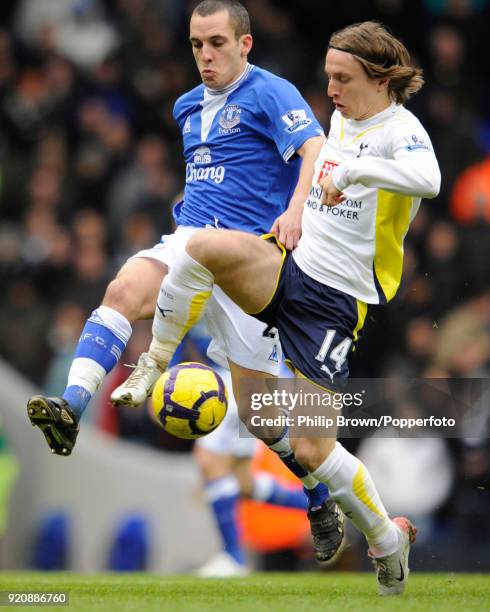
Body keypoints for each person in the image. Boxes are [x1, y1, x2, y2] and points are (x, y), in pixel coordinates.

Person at [113, 21, 441, 594]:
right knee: (199, 244)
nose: (332, 90)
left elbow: (429, 180)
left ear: (379, 78)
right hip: (288, 267)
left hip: (336, 302)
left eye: (342, 78)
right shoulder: (341, 119)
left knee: (314, 446)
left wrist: (356, 170)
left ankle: (386, 539)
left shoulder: (400, 129)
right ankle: (154, 363)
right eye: (328, 77)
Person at [26, 0, 343, 573]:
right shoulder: (186, 106)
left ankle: (319, 496)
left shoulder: (270, 91)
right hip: (192, 241)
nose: (205, 54)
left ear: (245, 44)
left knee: (264, 420)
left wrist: (296, 211)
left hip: (249, 263)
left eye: (217, 42)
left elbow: (316, 151)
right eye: (197, 44)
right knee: (121, 290)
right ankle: (70, 408)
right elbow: (214, 178)